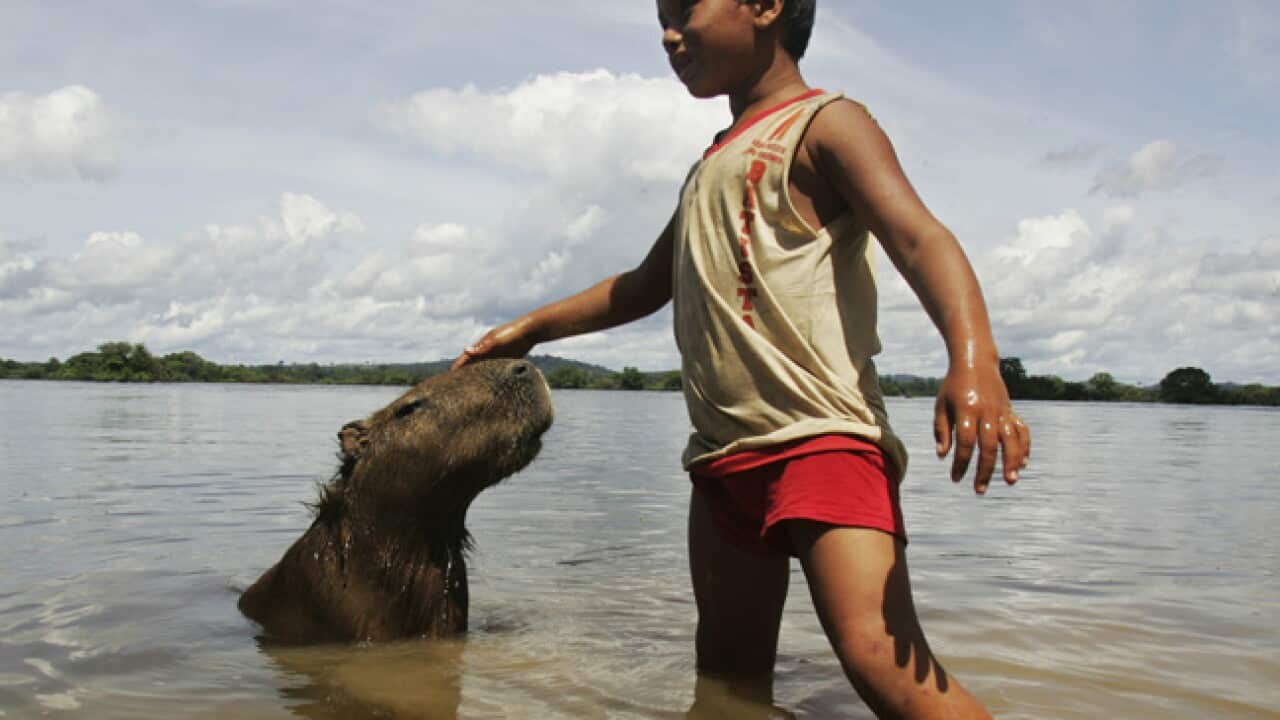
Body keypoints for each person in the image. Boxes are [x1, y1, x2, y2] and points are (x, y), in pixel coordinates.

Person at [452, 1, 1031, 717]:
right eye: (660, 16)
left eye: (684, 8)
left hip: (823, 442)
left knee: (879, 659)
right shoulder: (708, 166)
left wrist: (973, 360)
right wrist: (531, 328)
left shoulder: (826, 125)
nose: (669, 33)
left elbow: (919, 238)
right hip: (724, 461)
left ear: (764, 6)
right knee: (726, 676)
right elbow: (640, 286)